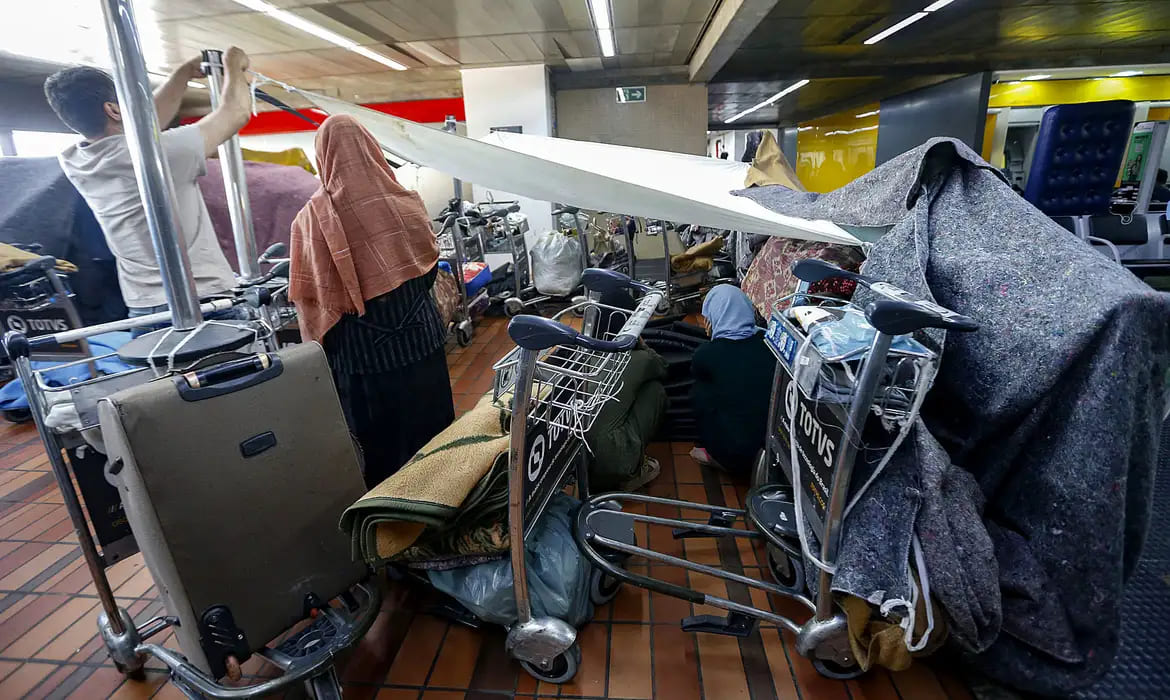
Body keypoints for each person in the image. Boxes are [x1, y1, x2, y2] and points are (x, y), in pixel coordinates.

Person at [290, 115, 453, 488]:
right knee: (434, 437)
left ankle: (390, 522)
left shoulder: (311, 220)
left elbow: (314, 298)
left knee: (380, 452)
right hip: (421, 345)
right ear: (370, 149)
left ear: (324, 156)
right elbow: (428, 272)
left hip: (364, 360)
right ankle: (444, 500)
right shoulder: (406, 203)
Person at [46, 49, 254, 333]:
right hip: (203, 303)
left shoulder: (75, 160)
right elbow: (236, 112)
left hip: (144, 312)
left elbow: (144, 125)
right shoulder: (158, 155)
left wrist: (181, 74)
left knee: (170, 380)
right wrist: (235, 63)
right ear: (113, 109)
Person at [584, 288, 666, 491]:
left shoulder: (578, 351)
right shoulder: (637, 359)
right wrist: (641, 344)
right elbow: (662, 367)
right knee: (655, 390)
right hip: (612, 463)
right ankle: (632, 470)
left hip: (574, 462)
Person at [690, 285, 776, 474]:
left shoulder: (706, 354)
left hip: (734, 457)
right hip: (772, 454)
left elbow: (701, 403)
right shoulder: (768, 341)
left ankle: (711, 452)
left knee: (700, 392)